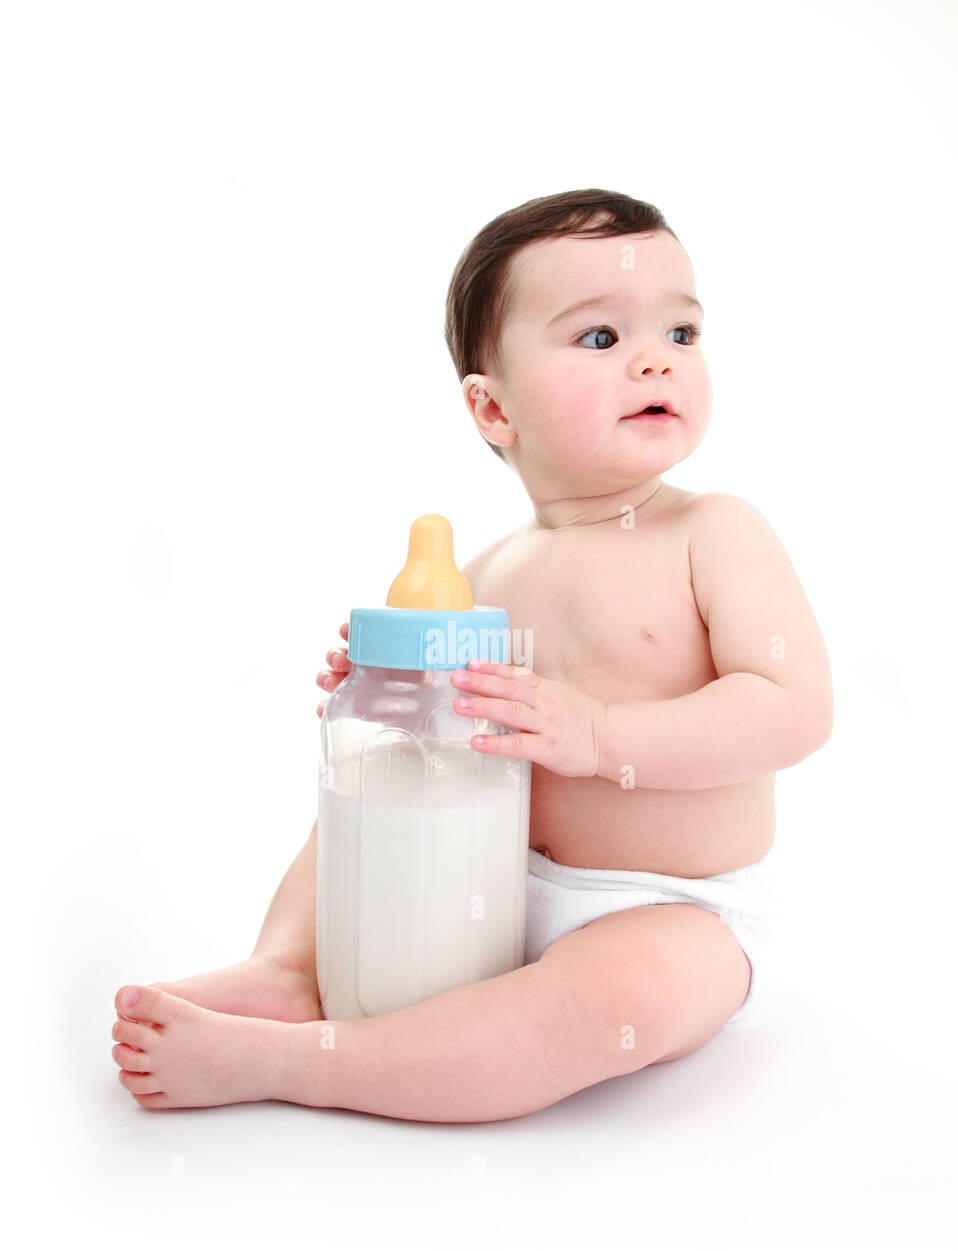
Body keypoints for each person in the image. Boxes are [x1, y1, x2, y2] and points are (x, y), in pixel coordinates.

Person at [110, 189, 833, 1122]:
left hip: (669, 909)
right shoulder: (487, 570)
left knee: (618, 1001)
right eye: (601, 339)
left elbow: (792, 707)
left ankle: (312, 1063)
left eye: (683, 333)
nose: (658, 358)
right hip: (481, 881)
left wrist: (602, 733)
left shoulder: (713, 533)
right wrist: (390, 692)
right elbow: (456, 730)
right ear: (493, 409)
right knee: (359, 810)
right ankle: (291, 970)